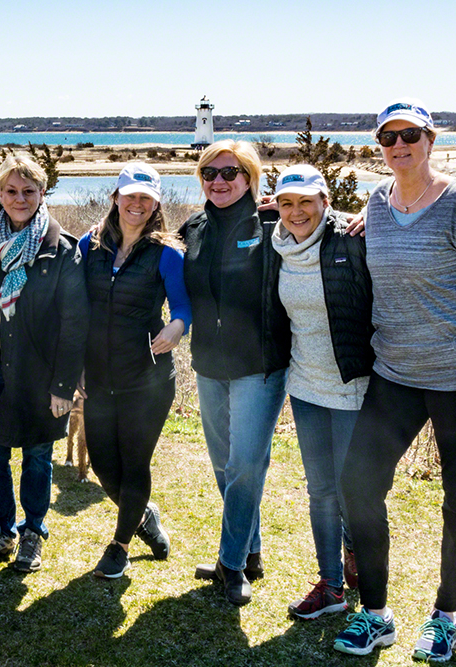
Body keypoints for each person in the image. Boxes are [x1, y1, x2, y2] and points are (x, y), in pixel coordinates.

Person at [333, 99, 456, 661]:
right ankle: (377, 615)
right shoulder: (378, 204)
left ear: (430, 139)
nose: (399, 145)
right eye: (388, 138)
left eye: (410, 134)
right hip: (394, 376)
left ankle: (445, 616)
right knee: (358, 485)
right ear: (380, 148)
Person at [0, 155, 88, 573]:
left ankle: (33, 531)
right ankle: (1, 528)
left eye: (29, 191)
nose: (19, 199)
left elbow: (74, 324)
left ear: (42, 193)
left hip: (41, 374)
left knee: (38, 457)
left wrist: (63, 386)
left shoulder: (60, 247)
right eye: (11, 191)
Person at [181, 140, 289, 605]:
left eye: (229, 173)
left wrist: (360, 219)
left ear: (249, 177)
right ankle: (252, 551)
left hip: (260, 366)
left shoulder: (272, 223)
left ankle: (231, 564)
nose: (219, 182)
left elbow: (321, 227)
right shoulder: (194, 227)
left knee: (247, 464)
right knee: (227, 467)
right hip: (209, 363)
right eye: (210, 174)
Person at [267, 164, 373, 620]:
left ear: (324, 203)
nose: (296, 211)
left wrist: (380, 206)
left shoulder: (354, 237)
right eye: (287, 203)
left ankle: (367, 575)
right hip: (305, 386)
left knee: (355, 493)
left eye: (306, 202)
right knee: (321, 491)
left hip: (353, 386)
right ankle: (331, 587)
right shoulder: (275, 244)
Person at [77, 164, 192, 579]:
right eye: (130, 196)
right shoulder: (90, 247)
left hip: (147, 376)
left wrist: (178, 326)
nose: (137, 204)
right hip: (98, 376)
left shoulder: (167, 252)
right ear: (116, 198)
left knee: (135, 462)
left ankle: (119, 546)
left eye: (146, 198)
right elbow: (75, 310)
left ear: (156, 203)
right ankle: (144, 517)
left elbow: (181, 306)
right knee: (106, 467)